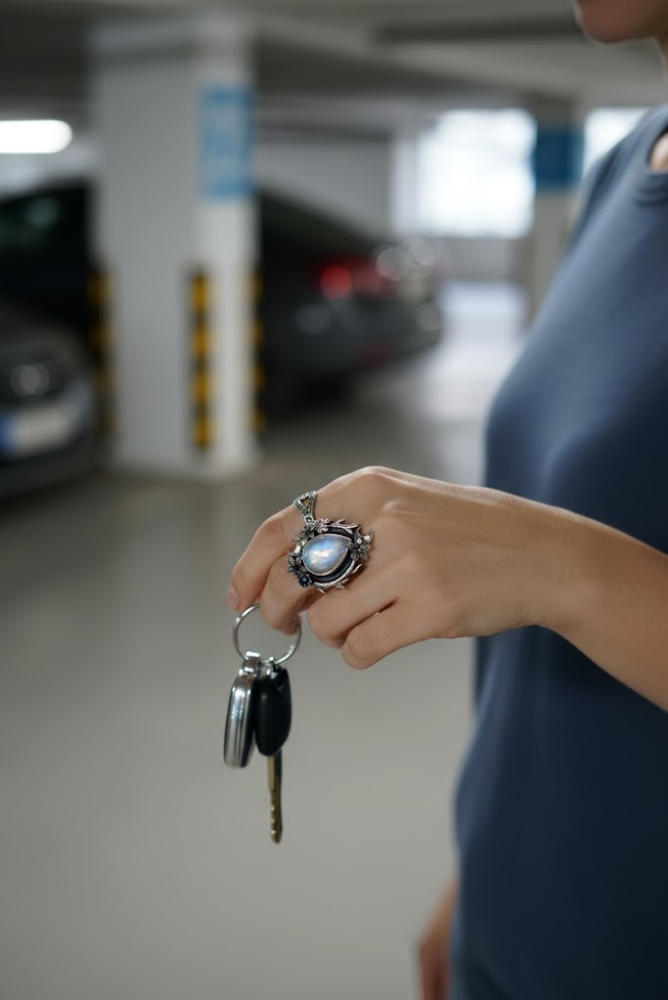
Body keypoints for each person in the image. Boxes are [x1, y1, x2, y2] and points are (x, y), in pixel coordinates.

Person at [228, 3, 668, 997]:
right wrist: (484, 867)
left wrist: (564, 565)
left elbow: (571, 570)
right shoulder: (623, 167)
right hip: (520, 913)